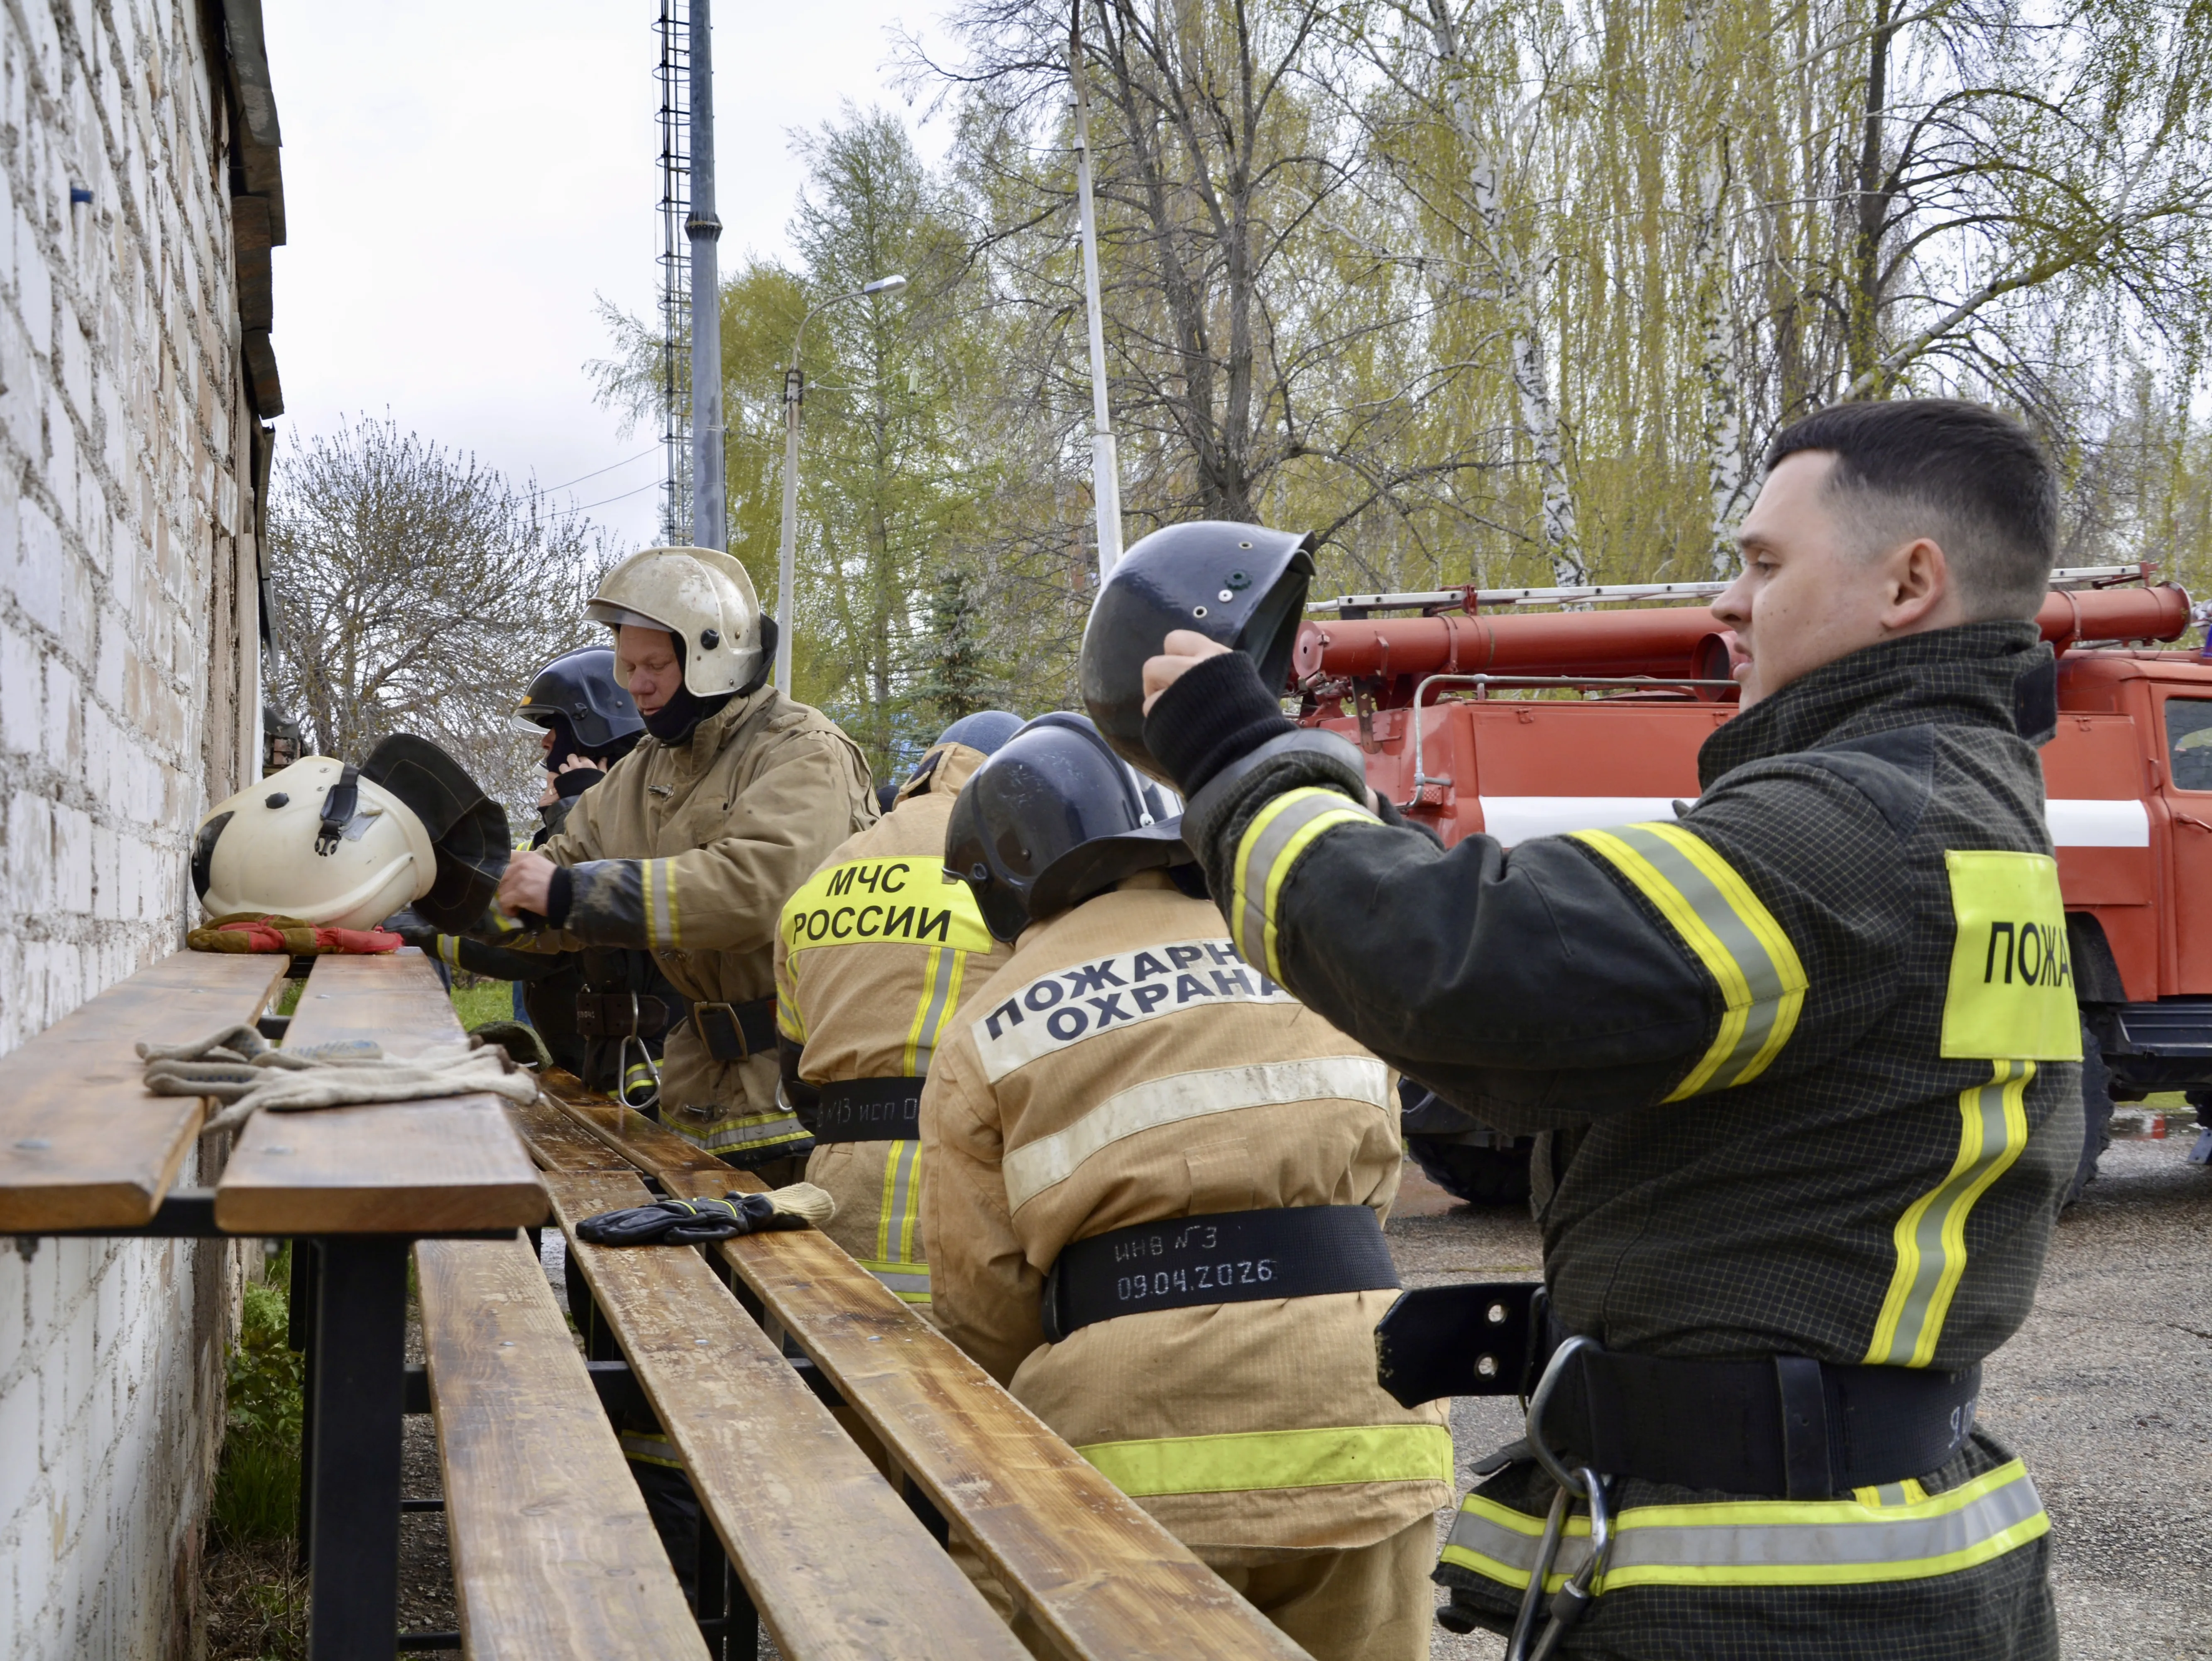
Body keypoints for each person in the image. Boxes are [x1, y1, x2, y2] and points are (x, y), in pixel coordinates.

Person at [1113, 401, 2074, 1657]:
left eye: (1763, 563)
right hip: (1871, 1543)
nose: (1725, 605)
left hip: (1775, 1598)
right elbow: (1640, 1046)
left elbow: (1473, 980)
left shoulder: (1856, 825)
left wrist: (1237, 757)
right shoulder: (1958, 804)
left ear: (1908, 583)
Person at [921, 713, 1451, 1661]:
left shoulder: (991, 1018)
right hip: (1371, 1419)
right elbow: (1369, 1178)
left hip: (1126, 1454)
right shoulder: (1297, 946)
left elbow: (983, 1303)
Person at [495, 545, 876, 1179]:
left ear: (713, 658)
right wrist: (438, 900)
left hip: (799, 1103)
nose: (636, 684)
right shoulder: (643, 771)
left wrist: (572, 895)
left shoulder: (803, 753)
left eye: (655, 665)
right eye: (627, 664)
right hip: (696, 1097)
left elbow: (756, 890)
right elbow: (555, 873)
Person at [773, 709, 1023, 1308]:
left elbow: (796, 1071)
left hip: (837, 1210)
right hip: (964, 1213)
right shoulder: (1017, 862)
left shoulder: (827, 872)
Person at [404, 649, 670, 1096]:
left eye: (556, 739)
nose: (546, 755)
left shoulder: (654, 820)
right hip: (595, 1064)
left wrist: (578, 810)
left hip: (650, 1073)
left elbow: (547, 940)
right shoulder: (560, 827)